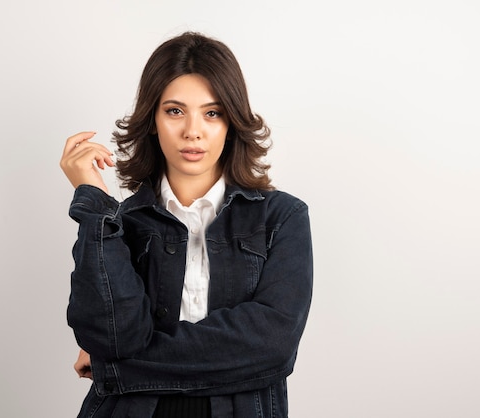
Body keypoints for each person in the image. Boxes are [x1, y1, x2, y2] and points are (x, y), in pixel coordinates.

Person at [60, 31, 313, 418]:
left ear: (232, 123)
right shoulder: (117, 224)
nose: (193, 131)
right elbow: (112, 335)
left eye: (212, 113)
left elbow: (271, 346)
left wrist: (118, 367)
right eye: (175, 111)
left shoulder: (282, 218)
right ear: (152, 120)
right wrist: (93, 202)